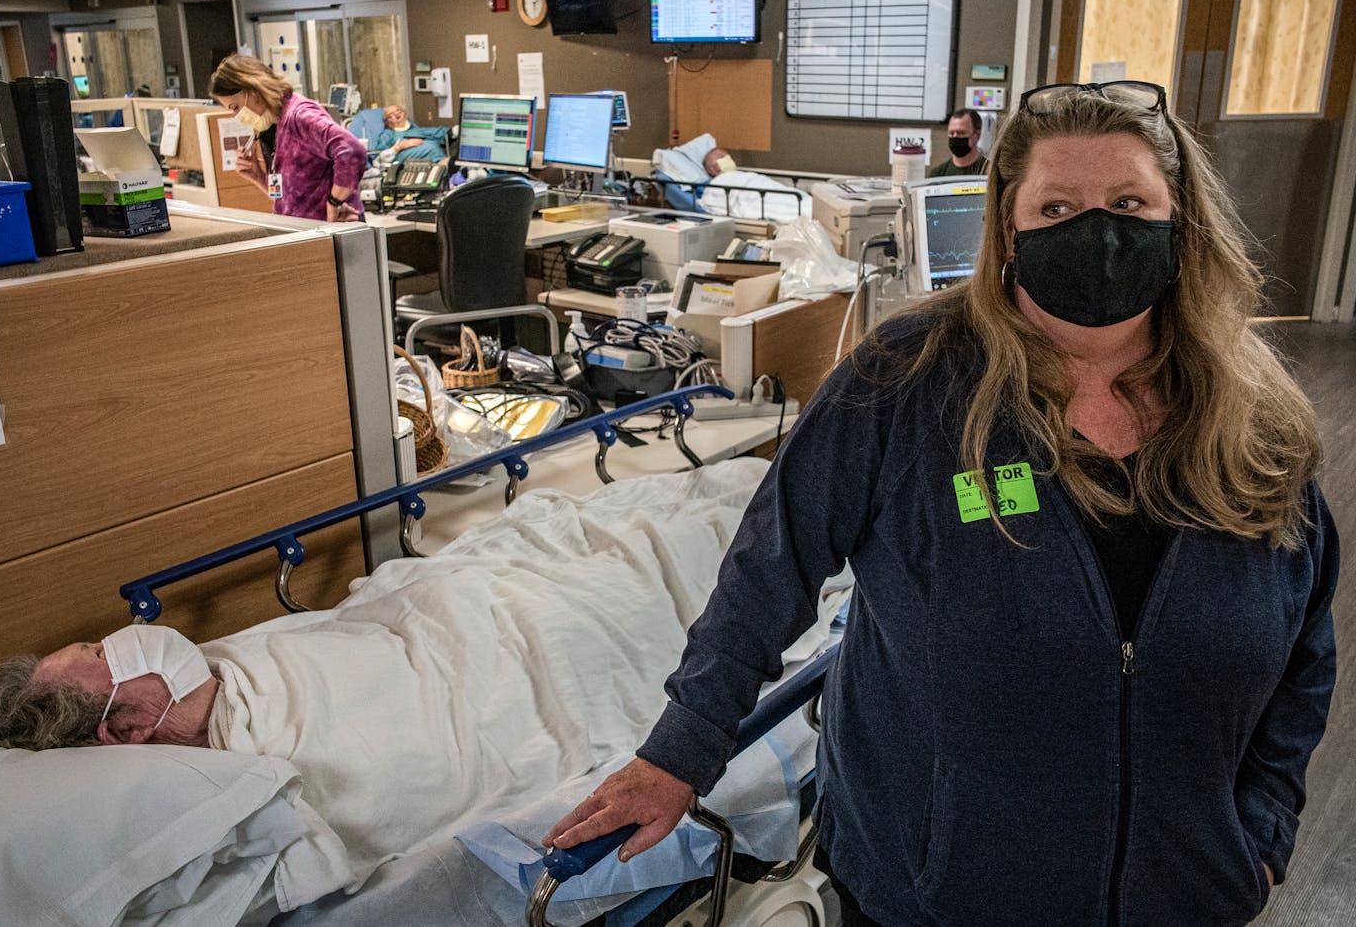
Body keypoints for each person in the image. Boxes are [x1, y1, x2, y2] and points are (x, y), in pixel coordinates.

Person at [546, 80, 1338, 926]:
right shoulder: (908, 379)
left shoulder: (1253, 414)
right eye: (1058, 206)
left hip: (1183, 894)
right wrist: (682, 749)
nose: (1097, 231)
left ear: (1180, 224)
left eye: (1129, 202)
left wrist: (1262, 832)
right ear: (1008, 230)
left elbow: (1305, 653)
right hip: (932, 891)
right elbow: (770, 567)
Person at [209, 54, 367, 222]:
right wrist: (258, 177)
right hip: (306, 230)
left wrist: (334, 201)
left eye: (235, 107)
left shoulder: (300, 116)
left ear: (254, 91)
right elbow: (288, 199)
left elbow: (352, 151)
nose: (235, 116)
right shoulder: (272, 126)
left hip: (336, 227)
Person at [371, 104, 450, 165]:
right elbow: (378, 160)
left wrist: (454, 131)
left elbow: (438, 132)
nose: (396, 114)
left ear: (405, 114)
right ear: (388, 123)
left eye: (398, 111)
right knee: (431, 148)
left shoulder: (416, 130)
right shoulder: (388, 134)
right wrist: (398, 147)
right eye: (390, 115)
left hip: (429, 162)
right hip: (399, 161)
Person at [929, 107, 987, 177]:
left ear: (977, 135)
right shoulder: (938, 174)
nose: (955, 137)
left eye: (961, 133)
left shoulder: (989, 171)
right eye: (951, 133)